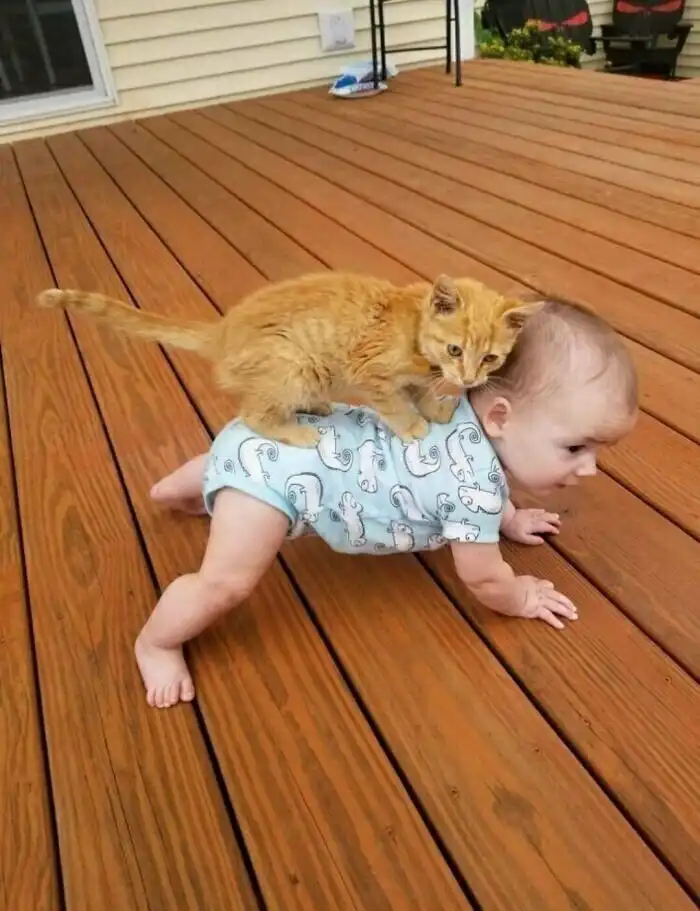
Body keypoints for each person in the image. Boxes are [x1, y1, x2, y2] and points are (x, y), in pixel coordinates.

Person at [136, 298, 638, 708]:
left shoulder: (454, 405)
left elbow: (468, 482)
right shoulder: (478, 494)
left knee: (236, 454)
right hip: (272, 489)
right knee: (224, 584)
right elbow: (485, 578)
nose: (589, 469)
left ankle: (178, 489)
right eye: (575, 447)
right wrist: (521, 595)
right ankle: (156, 642)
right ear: (501, 418)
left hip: (274, 434)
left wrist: (507, 519)